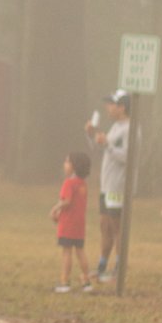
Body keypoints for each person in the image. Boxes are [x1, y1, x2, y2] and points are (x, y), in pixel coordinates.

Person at [85, 90, 130, 282]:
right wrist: (92, 136)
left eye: (112, 104)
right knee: (105, 226)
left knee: (117, 227)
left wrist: (108, 145)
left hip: (118, 187)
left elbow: (128, 156)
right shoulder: (115, 127)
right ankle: (102, 266)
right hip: (106, 185)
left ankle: (118, 270)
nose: (108, 107)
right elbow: (101, 149)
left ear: (122, 107)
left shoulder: (131, 128)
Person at [50, 150, 93, 293]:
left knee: (66, 252)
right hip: (79, 224)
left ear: (73, 166)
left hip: (68, 224)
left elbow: (66, 201)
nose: (64, 164)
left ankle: (64, 281)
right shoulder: (83, 184)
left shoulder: (69, 183)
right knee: (80, 251)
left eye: (67, 161)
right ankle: (87, 281)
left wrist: (55, 209)